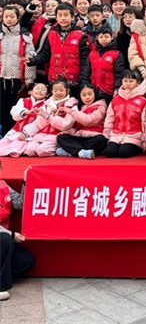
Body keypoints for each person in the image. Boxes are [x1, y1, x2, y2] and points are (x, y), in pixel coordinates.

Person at [26, 3, 90, 87]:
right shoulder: (51, 34)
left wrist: (82, 80)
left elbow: (84, 61)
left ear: (72, 17)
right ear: (56, 18)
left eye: (66, 15)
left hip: (74, 80)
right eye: (60, 15)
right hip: (54, 79)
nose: (63, 18)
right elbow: (45, 55)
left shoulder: (81, 35)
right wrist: (31, 61)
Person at [0, 161, 36, 302]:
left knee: (26, 261)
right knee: (5, 238)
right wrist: (12, 235)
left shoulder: (3, 186)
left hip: (3, 241)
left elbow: (21, 203)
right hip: (4, 238)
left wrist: (26, 182)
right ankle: (1, 287)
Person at [17, 78, 78, 157]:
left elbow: (66, 125)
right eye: (55, 91)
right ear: (52, 91)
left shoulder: (71, 105)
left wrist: (48, 117)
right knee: (29, 151)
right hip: (42, 133)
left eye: (61, 90)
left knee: (41, 151)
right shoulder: (47, 103)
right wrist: (26, 133)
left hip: (57, 135)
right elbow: (38, 122)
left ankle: (60, 148)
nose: (58, 93)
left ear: (67, 90)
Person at [0, 5, 36, 134]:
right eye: (6, 16)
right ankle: (4, 134)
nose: (9, 19)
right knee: (2, 107)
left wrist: (29, 78)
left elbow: (30, 58)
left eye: (12, 16)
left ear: (18, 18)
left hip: (18, 79)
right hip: (2, 77)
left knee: (16, 107)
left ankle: (15, 133)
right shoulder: (0, 35)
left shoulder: (25, 36)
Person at [104, 69, 146, 158]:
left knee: (124, 152)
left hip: (134, 136)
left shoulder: (143, 102)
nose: (128, 84)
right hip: (116, 134)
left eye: (131, 81)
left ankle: (137, 148)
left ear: (138, 83)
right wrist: (107, 135)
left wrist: (145, 140)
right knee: (110, 152)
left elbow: (145, 122)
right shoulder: (115, 100)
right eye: (125, 81)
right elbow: (109, 118)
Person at [56, 83, 108, 159]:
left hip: (93, 137)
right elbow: (77, 128)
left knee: (101, 139)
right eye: (84, 95)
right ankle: (81, 152)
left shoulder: (101, 107)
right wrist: (68, 132)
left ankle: (73, 151)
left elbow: (89, 121)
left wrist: (71, 112)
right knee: (60, 137)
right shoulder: (81, 108)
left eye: (90, 94)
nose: (87, 97)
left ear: (95, 94)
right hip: (81, 136)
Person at [0, 82, 48, 157]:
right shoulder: (23, 100)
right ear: (30, 92)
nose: (39, 91)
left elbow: (39, 122)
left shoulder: (46, 105)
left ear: (47, 94)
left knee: (16, 146)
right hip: (17, 129)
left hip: (32, 132)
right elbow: (14, 112)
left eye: (43, 90)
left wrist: (26, 133)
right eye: (37, 88)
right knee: (3, 142)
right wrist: (26, 112)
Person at [88, 24, 125, 102]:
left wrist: (117, 87)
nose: (104, 39)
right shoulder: (92, 54)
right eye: (101, 37)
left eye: (106, 37)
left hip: (109, 91)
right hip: (94, 90)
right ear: (97, 38)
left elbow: (119, 74)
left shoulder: (117, 54)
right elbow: (86, 72)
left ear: (112, 37)